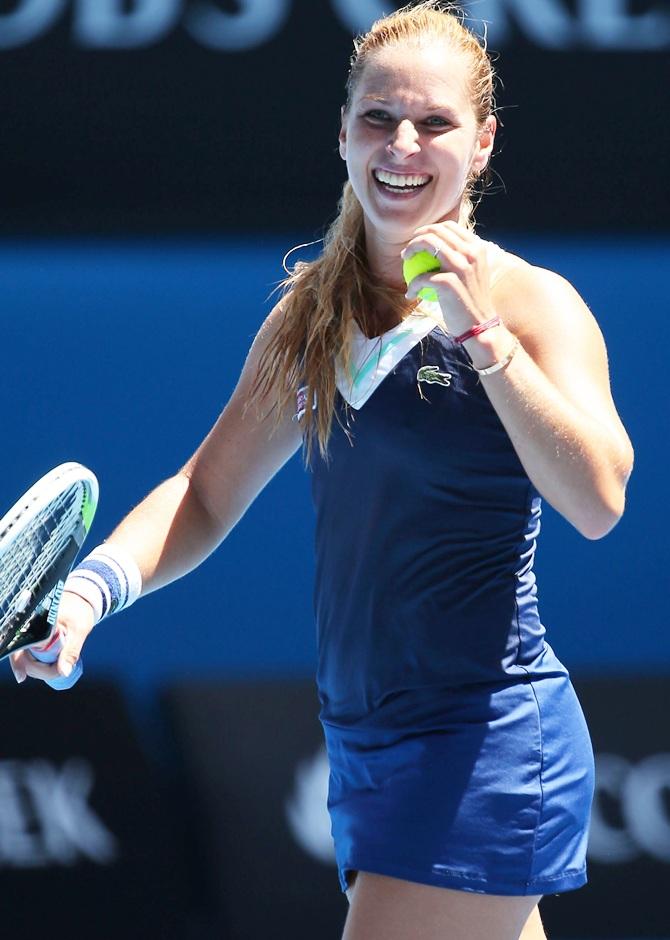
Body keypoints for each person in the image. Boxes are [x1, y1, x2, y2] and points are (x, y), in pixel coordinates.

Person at [10, 3, 633, 938]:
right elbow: (206, 491)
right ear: (344, 133)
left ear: (484, 142)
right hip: (367, 745)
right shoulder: (312, 315)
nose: (403, 144)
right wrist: (91, 595)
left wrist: (482, 337)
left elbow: (598, 501)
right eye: (379, 119)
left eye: (435, 122)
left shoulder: (534, 305)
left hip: (483, 738)